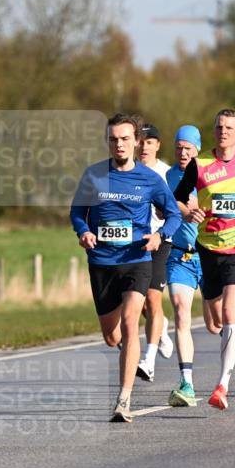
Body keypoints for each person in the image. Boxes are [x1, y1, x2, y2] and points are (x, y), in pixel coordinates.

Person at [70, 113, 181, 423]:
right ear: (108, 141)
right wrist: (83, 231)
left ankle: (123, 400)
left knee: (133, 323)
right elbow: (78, 211)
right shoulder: (93, 175)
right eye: (113, 139)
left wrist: (160, 236)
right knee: (111, 335)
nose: (118, 144)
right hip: (102, 262)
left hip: (136, 260)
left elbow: (173, 214)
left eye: (124, 138)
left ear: (136, 141)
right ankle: (126, 355)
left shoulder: (150, 179)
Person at [171, 109, 235, 411]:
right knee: (217, 323)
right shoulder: (199, 164)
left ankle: (221, 386)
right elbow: (178, 196)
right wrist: (187, 212)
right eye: (219, 127)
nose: (224, 131)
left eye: (229, 127)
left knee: (230, 314)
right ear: (213, 131)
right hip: (208, 246)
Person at [164, 125, 204, 407]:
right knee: (181, 311)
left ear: (197, 150)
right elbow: (164, 207)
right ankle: (187, 381)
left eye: (188, 148)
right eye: (178, 147)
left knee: (217, 324)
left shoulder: (209, 174)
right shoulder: (169, 176)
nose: (182, 152)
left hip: (210, 253)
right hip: (180, 256)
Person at [135, 122, 175, 383]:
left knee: (152, 298)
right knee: (137, 301)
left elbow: (175, 208)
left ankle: (148, 360)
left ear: (158, 145)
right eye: (141, 141)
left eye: (150, 142)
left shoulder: (166, 173)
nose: (145, 146)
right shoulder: (128, 170)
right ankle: (160, 328)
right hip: (134, 241)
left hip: (160, 240)